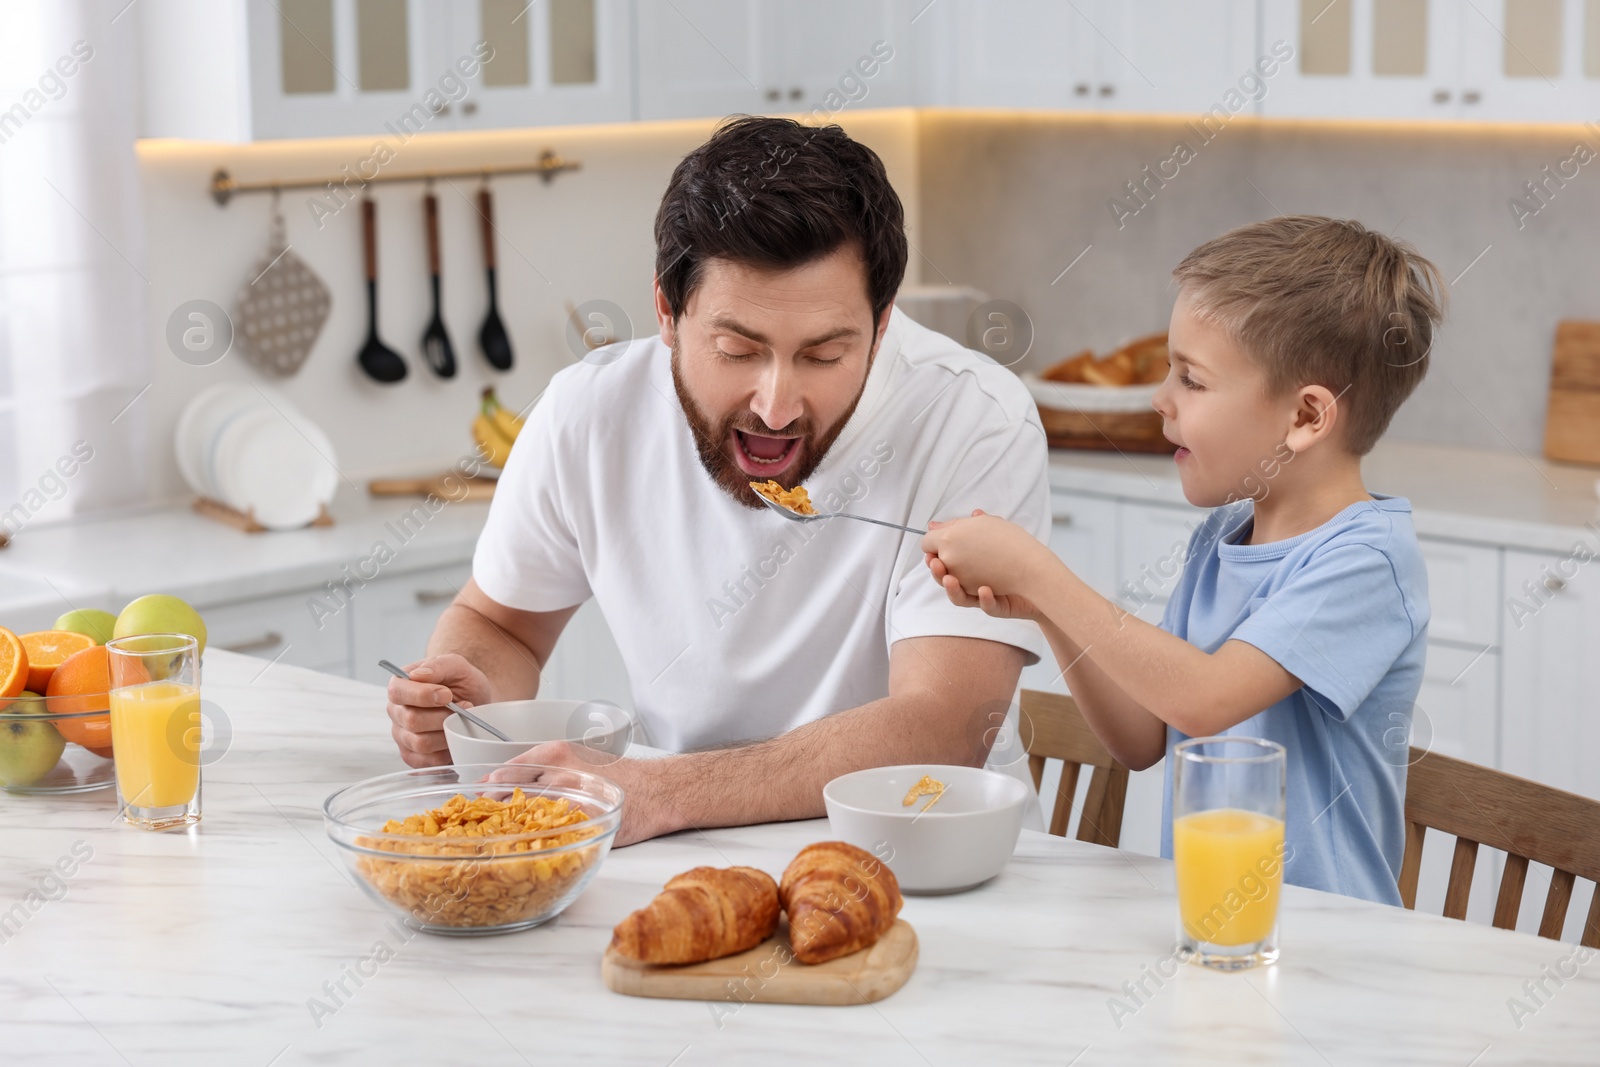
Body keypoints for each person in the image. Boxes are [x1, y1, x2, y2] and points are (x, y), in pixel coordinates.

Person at [386, 116, 1051, 845]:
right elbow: (499, 622)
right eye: (738, 349)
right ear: (668, 313)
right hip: (681, 846)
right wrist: (474, 702)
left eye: (825, 355)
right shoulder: (591, 410)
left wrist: (662, 789)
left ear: (883, 324)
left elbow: (941, 729)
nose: (777, 405)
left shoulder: (974, 418)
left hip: (926, 859)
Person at [922, 216, 1444, 904]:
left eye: (1191, 380)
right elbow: (1143, 737)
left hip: (1329, 942)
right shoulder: (1225, 535)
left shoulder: (1366, 560)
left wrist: (1041, 572)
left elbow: (1206, 700)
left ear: (1307, 417)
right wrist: (1043, 607)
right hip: (1211, 920)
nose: (1158, 398)